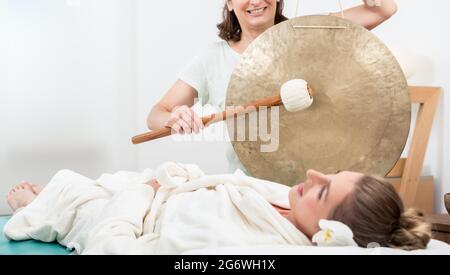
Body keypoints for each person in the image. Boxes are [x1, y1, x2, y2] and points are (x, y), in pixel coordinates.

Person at [146, 0, 400, 173]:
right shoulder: (213, 58)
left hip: (313, 184)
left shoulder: (306, 32)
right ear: (229, 3)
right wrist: (174, 118)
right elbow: (157, 114)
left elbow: (384, 9)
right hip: (248, 191)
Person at [6, 168, 431, 252]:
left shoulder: (244, 247)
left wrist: (143, 195)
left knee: (71, 199)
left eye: (322, 191)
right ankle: (58, 197)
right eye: (330, 173)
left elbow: (112, 249)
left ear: (328, 232)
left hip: (146, 211)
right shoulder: (288, 201)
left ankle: (40, 207)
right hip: (160, 189)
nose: (312, 173)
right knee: (83, 183)